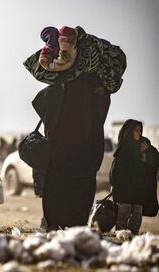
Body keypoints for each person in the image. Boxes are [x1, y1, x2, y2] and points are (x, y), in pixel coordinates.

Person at [24, 26, 126, 230]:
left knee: (59, 194)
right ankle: (72, 228)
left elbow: (45, 107)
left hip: (62, 157)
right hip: (85, 157)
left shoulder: (63, 88)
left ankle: (56, 226)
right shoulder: (97, 90)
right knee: (79, 195)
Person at [110, 120, 159, 234]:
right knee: (123, 213)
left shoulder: (143, 145)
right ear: (129, 132)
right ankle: (121, 236)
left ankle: (133, 235)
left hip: (138, 190)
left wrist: (145, 152)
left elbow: (155, 157)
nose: (139, 133)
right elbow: (115, 171)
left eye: (140, 130)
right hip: (125, 190)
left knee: (137, 213)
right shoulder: (123, 149)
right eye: (136, 130)